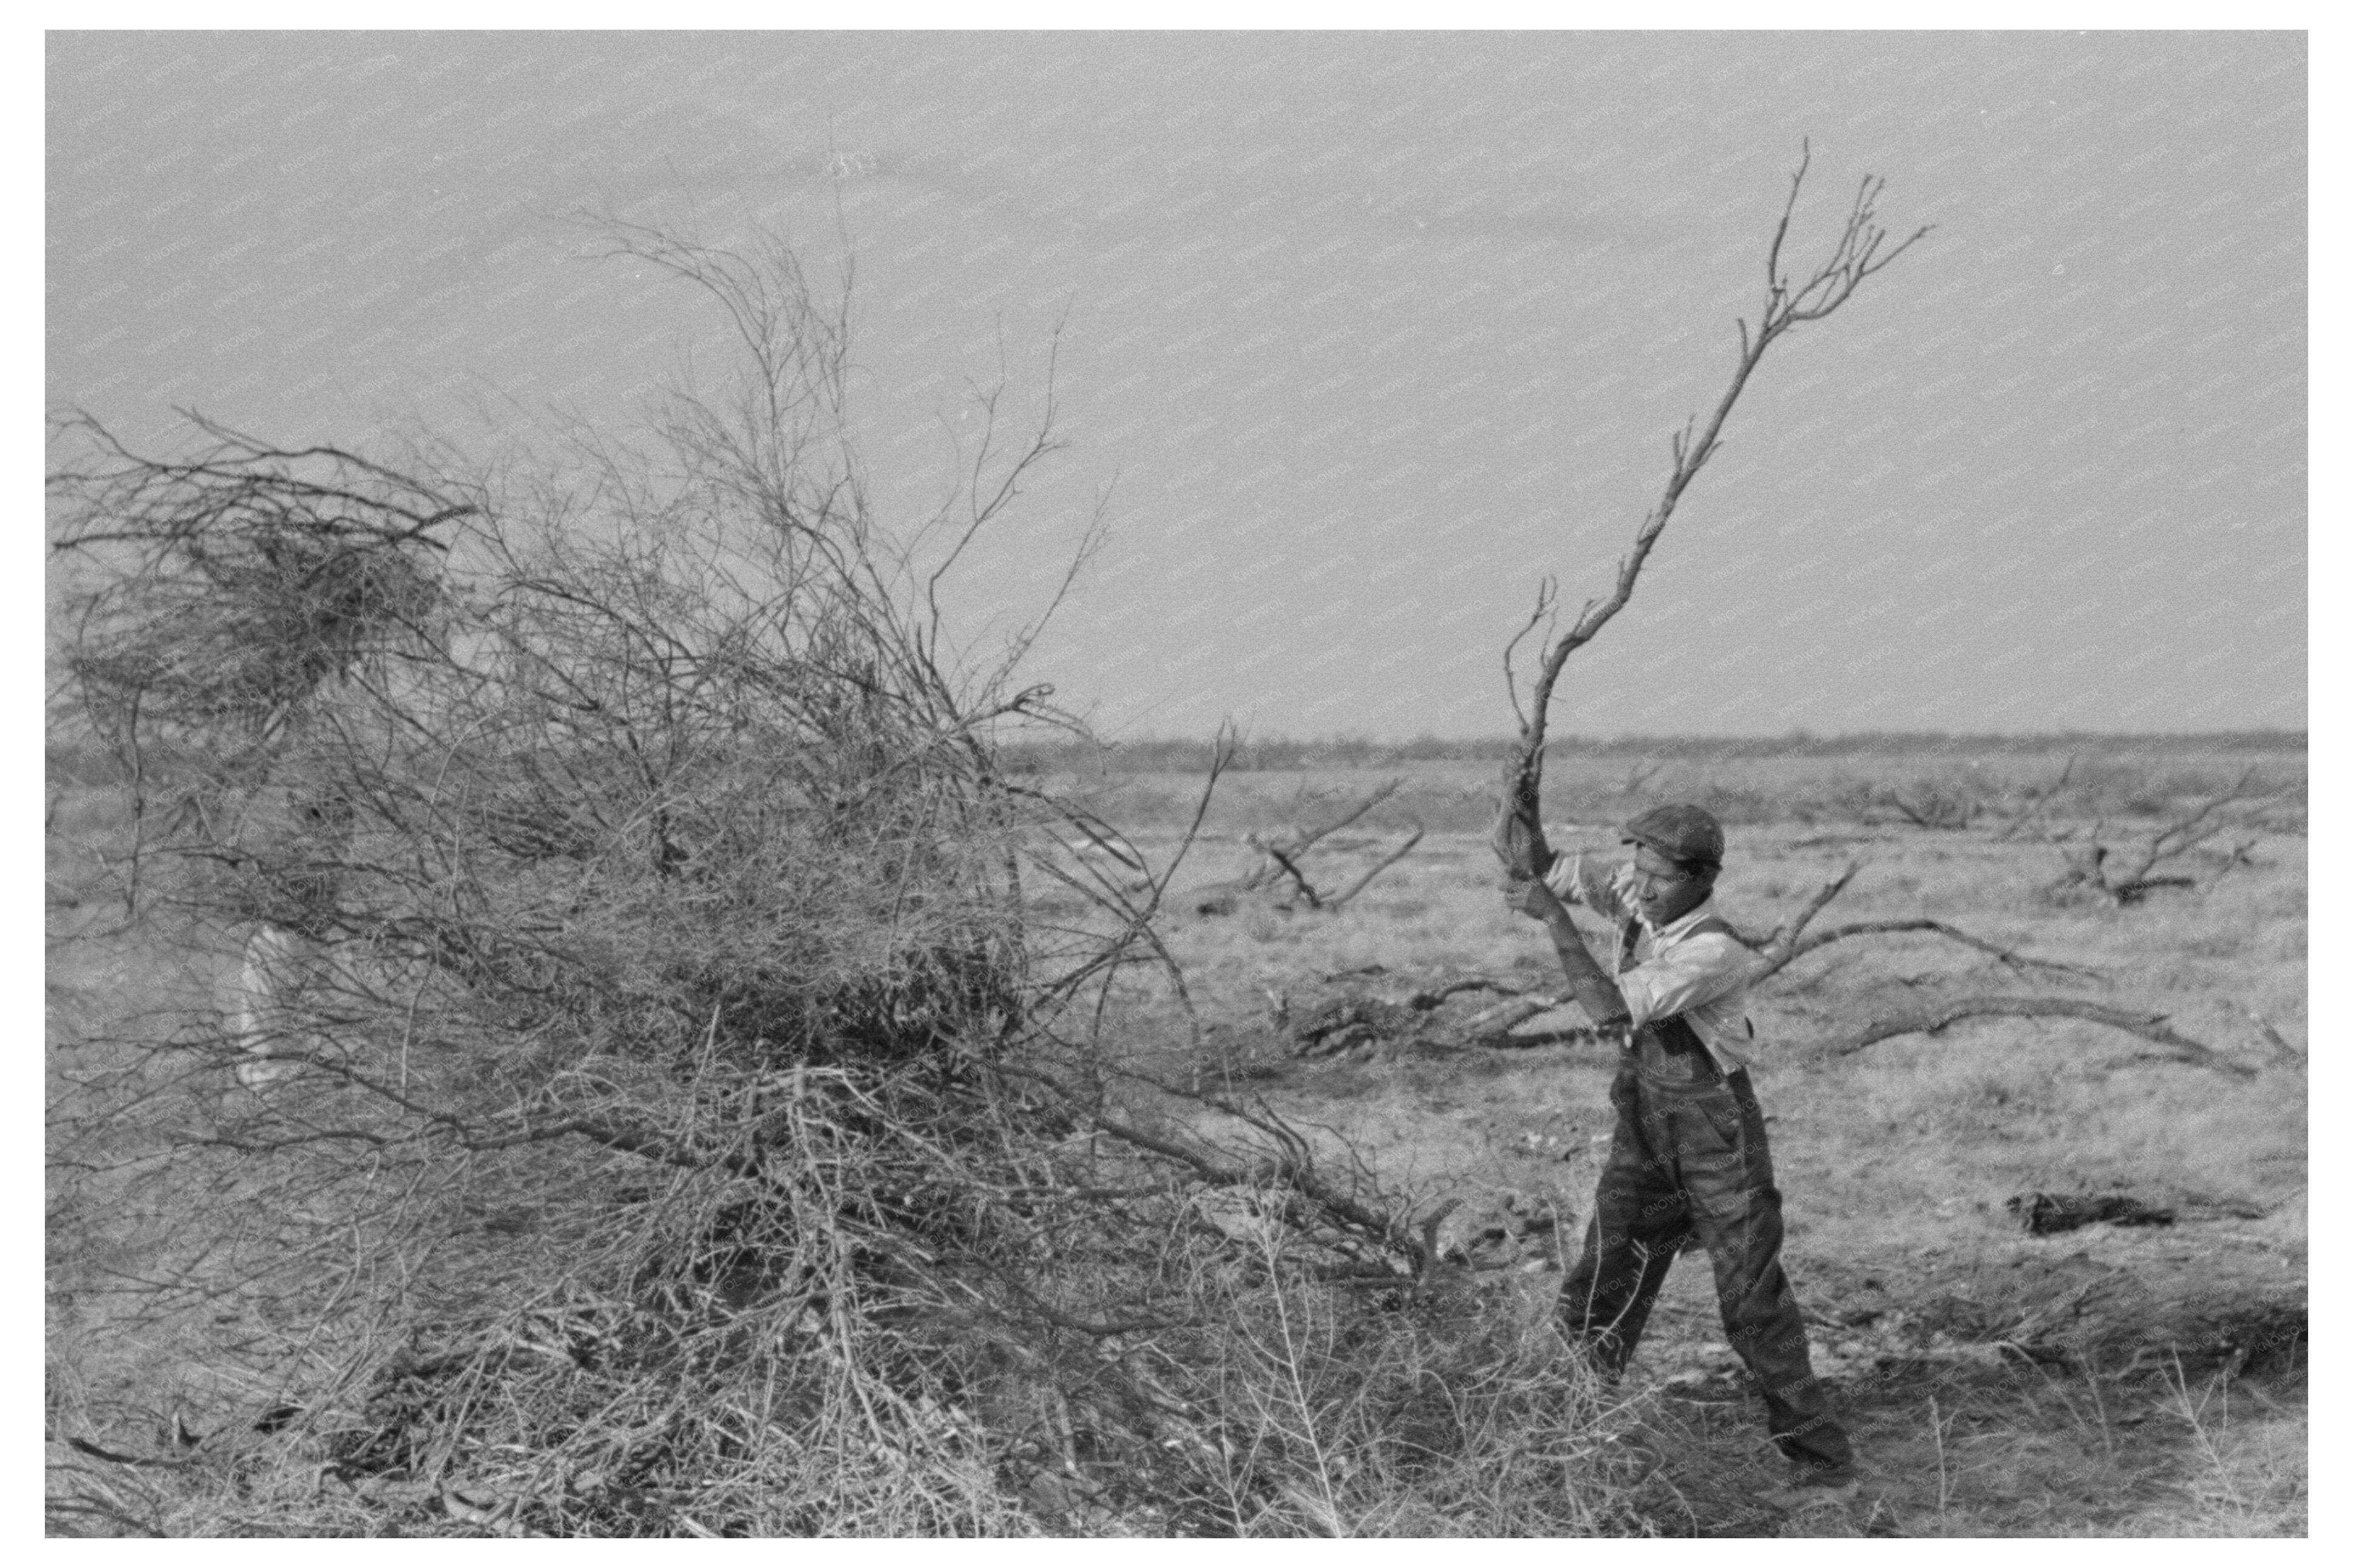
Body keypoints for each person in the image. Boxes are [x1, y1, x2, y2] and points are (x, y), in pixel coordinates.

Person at [1504, 803, 1859, 1510]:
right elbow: (1546, 868)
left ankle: (1824, 1468)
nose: (1642, 887)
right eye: (1638, 871)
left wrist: (1553, 919)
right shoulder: (1644, 899)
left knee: (1751, 1304)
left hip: (1716, 1135)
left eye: (1659, 877)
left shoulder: (1715, 950)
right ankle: (1566, 1436)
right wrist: (1520, 814)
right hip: (1645, 1126)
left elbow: (1608, 1008)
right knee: (1604, 1280)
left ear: (1701, 879)